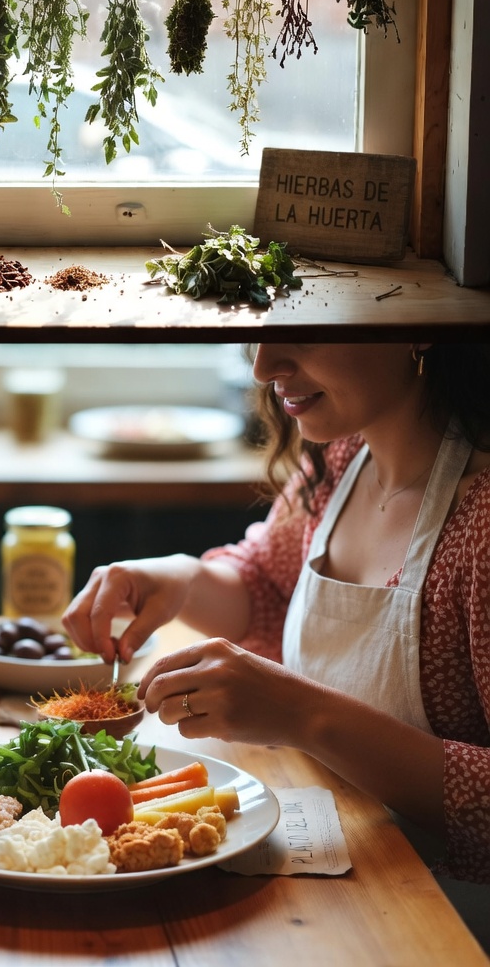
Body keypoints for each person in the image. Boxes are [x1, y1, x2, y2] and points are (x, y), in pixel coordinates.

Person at [62, 343, 490, 928]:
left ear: (414, 331)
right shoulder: (342, 458)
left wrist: (303, 714)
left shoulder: (482, 521)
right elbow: (267, 582)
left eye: (305, 330)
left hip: (446, 919)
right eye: (260, 334)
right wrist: (182, 577)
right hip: (342, 882)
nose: (264, 367)